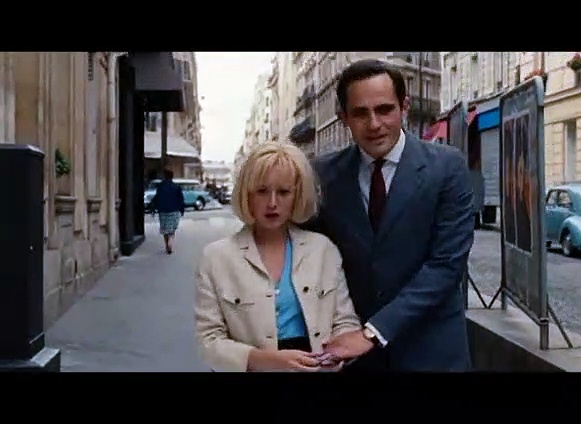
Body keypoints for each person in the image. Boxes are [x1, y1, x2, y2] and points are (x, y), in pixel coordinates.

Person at [303, 59, 476, 371]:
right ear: (343, 117)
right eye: (360, 113)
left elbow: (446, 265)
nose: (374, 124)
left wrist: (374, 332)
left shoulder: (447, 168)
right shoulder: (321, 175)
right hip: (352, 357)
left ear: (404, 107)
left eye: (384, 109)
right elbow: (303, 254)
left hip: (432, 352)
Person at [194, 141, 362, 372]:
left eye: (283, 192)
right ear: (247, 194)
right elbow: (209, 340)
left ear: (297, 195)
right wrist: (264, 360)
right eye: (262, 191)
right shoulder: (216, 258)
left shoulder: (323, 250)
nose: (272, 203)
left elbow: (345, 321)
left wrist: (337, 351)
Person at [149, 169, 185, 254]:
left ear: (165, 176)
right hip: (174, 210)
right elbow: (181, 199)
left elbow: (157, 198)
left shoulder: (161, 186)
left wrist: (153, 208)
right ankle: (170, 243)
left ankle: (166, 245)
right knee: (172, 230)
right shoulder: (176, 186)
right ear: (172, 177)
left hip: (163, 211)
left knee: (165, 229)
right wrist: (182, 209)